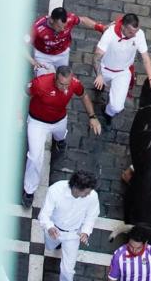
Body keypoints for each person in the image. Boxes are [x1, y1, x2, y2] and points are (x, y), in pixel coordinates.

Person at [21, 66, 101, 208]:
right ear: (55, 78)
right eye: (61, 84)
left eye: (67, 84)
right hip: (37, 122)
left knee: (60, 135)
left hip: (59, 120)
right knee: (34, 157)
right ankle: (29, 190)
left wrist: (92, 116)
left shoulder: (74, 83)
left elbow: (83, 96)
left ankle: (60, 141)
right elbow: (25, 93)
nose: (65, 87)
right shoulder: (40, 84)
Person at [38, 170, 100, 281]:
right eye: (86, 191)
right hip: (55, 231)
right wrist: (50, 227)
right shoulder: (56, 191)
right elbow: (44, 214)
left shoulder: (92, 196)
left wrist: (85, 231)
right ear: (76, 188)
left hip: (73, 234)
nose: (88, 194)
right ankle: (56, 245)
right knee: (50, 246)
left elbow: (92, 215)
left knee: (68, 270)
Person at [93, 13, 151, 125]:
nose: (134, 35)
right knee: (99, 85)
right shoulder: (109, 34)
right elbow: (96, 57)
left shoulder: (138, 34)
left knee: (117, 107)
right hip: (104, 69)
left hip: (122, 73)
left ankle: (107, 112)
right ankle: (99, 88)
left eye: (136, 31)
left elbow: (145, 58)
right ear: (123, 27)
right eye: (131, 32)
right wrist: (99, 75)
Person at [27, 7, 104, 76]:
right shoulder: (36, 28)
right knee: (46, 80)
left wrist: (101, 27)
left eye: (64, 26)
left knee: (63, 76)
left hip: (62, 54)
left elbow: (83, 20)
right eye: (59, 26)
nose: (62, 29)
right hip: (44, 57)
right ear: (51, 20)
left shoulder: (70, 19)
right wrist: (33, 61)